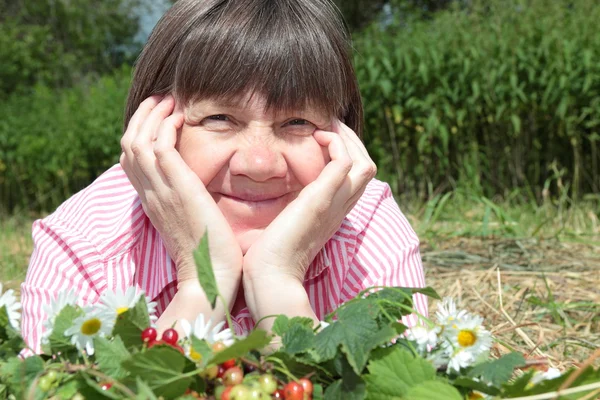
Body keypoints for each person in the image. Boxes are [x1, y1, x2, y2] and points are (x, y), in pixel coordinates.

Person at [21, 0, 427, 353]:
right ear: (152, 129)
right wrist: (202, 284)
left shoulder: (368, 228)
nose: (259, 163)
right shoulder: (84, 244)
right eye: (219, 118)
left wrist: (279, 284)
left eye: (298, 121)